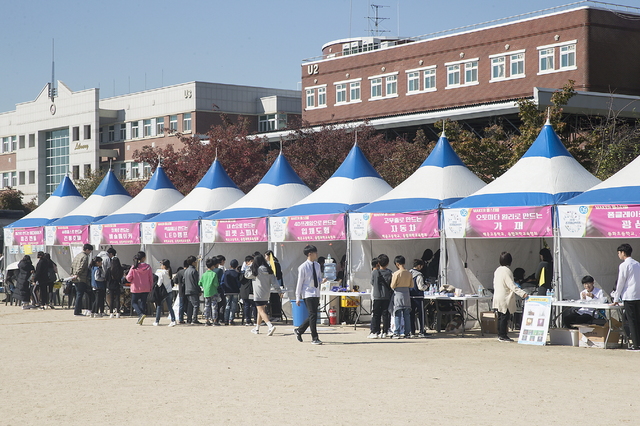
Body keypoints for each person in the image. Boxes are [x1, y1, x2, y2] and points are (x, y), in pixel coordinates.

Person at [493, 252, 528, 342]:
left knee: (500, 316)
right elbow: (511, 285)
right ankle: (503, 335)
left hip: (498, 295)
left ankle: (500, 334)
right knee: (505, 316)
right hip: (505, 297)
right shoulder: (507, 271)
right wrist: (522, 293)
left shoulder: (497, 270)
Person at [294, 245, 325, 345]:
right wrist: (298, 296)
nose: (317, 254)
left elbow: (318, 278)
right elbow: (300, 283)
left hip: (316, 292)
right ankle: (314, 338)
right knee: (313, 315)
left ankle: (299, 330)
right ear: (309, 254)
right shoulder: (303, 267)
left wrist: (322, 281)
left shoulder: (317, 265)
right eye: (315, 252)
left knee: (313, 315)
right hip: (307, 293)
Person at [613, 243, 640, 350]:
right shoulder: (637, 264)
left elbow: (620, 283)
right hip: (638, 295)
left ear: (623, 253)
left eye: (619, 253)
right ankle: (638, 342)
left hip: (629, 296)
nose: (618, 255)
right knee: (638, 319)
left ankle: (636, 344)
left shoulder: (624, 265)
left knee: (631, 320)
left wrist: (616, 298)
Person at [245, 254, 276, 336]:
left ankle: (270, 326)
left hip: (258, 293)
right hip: (266, 293)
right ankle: (257, 328)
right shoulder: (269, 269)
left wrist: (249, 266)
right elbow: (274, 282)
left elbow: (247, 275)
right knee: (260, 311)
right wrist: (279, 291)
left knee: (261, 311)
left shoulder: (256, 270)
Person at [367, 254, 393, 339]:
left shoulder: (375, 272)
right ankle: (385, 331)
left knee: (376, 314)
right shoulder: (389, 272)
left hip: (377, 295)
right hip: (386, 296)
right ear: (388, 263)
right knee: (385, 314)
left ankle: (375, 331)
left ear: (378, 263)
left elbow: (371, 282)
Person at [126, 251, 154, 325]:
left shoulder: (134, 267)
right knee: (143, 302)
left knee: (134, 302)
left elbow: (128, 278)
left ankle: (140, 314)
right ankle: (141, 317)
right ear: (144, 258)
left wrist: (132, 280)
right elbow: (151, 278)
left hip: (136, 288)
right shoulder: (148, 267)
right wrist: (151, 287)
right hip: (146, 287)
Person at [390, 255, 413, 339]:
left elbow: (392, 285)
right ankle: (407, 332)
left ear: (397, 264)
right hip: (406, 294)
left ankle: (397, 332)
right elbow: (411, 285)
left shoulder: (396, 274)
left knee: (397, 314)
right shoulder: (409, 273)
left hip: (398, 294)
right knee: (407, 314)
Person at [72, 244, 93, 316]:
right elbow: (82, 266)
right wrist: (77, 274)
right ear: (87, 250)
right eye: (90, 251)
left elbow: (72, 265)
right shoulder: (85, 257)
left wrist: (72, 274)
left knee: (79, 294)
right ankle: (77, 311)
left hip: (74, 277)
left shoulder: (77, 256)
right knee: (80, 295)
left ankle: (78, 310)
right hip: (81, 278)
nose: (89, 253)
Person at [409, 259, 429, 337]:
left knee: (411, 314)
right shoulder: (419, 275)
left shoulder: (409, 273)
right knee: (421, 314)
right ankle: (422, 331)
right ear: (419, 266)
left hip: (410, 296)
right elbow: (421, 287)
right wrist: (427, 286)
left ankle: (412, 331)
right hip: (418, 296)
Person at [154, 259, 176, 327]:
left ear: (164, 265)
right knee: (170, 306)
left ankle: (157, 321)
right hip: (169, 291)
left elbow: (159, 283)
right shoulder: (168, 272)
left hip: (163, 292)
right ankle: (173, 320)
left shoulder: (161, 273)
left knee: (159, 306)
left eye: (161, 264)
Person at [200, 257, 221, 326]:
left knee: (207, 306)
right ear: (212, 266)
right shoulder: (214, 274)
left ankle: (207, 320)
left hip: (206, 292)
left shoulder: (204, 274)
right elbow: (216, 284)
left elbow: (200, 283)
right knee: (214, 306)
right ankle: (214, 321)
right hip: (213, 292)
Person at [264, 250, 284, 321]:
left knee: (276, 300)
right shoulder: (268, 263)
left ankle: (277, 315)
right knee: (272, 300)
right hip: (271, 286)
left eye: (266, 256)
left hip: (276, 285)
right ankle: (273, 315)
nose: (265, 257)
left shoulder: (275, 264)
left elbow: (277, 275)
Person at [221, 259, 241, 325]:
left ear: (230, 266)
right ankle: (231, 319)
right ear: (237, 266)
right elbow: (239, 283)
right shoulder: (237, 273)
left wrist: (224, 289)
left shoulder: (226, 273)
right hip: (235, 291)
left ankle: (226, 319)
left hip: (227, 291)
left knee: (227, 305)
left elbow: (222, 282)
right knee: (234, 305)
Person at [184, 255, 201, 325]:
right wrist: (199, 290)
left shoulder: (186, 271)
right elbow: (196, 282)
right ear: (193, 262)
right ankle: (194, 319)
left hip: (187, 289)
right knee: (196, 305)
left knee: (190, 305)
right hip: (193, 290)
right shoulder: (194, 271)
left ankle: (189, 319)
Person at [106, 250, 123, 318]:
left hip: (110, 285)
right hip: (117, 285)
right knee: (117, 299)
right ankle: (118, 312)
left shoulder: (109, 269)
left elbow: (106, 278)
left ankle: (111, 313)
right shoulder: (120, 269)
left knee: (111, 299)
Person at [240, 255, 255, 326]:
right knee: (250, 305)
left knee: (250, 305)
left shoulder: (243, 271)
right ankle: (250, 320)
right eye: (251, 261)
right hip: (249, 290)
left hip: (247, 290)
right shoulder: (249, 271)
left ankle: (251, 320)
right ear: (247, 262)